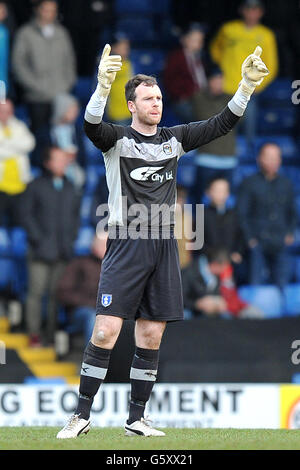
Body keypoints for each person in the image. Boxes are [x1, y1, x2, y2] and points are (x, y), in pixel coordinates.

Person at [57, 42, 269, 438]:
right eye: (148, 98)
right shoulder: (116, 140)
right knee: (104, 329)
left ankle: (136, 418)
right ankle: (81, 415)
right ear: (132, 105)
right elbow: (89, 126)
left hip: (163, 245)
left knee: (151, 333)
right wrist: (101, 89)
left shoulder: (174, 139)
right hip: (126, 243)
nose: (156, 103)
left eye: (158, 97)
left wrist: (245, 87)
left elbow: (221, 123)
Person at [22, 146, 80, 347]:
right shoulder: (35, 185)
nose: (63, 163)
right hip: (39, 251)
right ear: (47, 163)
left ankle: (52, 335)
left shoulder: (71, 186)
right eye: (58, 159)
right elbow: (26, 216)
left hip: (62, 251)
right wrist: (38, 239)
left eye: (65, 159)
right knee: (36, 294)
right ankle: (34, 335)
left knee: (57, 296)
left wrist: (70, 240)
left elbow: (75, 218)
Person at [210, 0, 278, 143]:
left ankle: (250, 158)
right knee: (222, 130)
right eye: (248, 8)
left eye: (255, 9)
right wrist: (218, 76)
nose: (252, 13)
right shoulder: (228, 29)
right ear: (242, 10)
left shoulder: (266, 35)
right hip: (225, 88)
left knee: (249, 131)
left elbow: (271, 67)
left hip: (249, 91)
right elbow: (215, 52)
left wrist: (256, 86)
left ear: (261, 12)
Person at [12, 0, 76, 137]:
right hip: (37, 98)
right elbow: (19, 65)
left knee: (64, 138)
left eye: (53, 10)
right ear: (38, 10)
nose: (50, 14)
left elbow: (69, 62)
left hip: (60, 94)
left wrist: (65, 85)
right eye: (46, 10)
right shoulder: (25, 34)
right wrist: (36, 86)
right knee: (40, 139)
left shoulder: (62, 33)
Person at [237, 142, 297, 289]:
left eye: (276, 157)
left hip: (280, 241)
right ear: (259, 159)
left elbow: (293, 212)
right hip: (257, 242)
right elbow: (241, 214)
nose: (272, 161)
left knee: (283, 285)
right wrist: (250, 239)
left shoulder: (286, 184)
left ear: (280, 160)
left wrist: (290, 232)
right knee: (255, 285)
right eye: (268, 157)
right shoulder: (248, 183)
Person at [192, 72, 238, 201]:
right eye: (215, 80)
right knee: (200, 199)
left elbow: (240, 118)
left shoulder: (231, 98)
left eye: (221, 80)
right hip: (206, 157)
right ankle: (199, 222)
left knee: (227, 200)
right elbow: (205, 117)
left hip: (228, 159)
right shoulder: (199, 98)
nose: (219, 83)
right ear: (209, 81)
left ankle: (225, 222)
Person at [56, 233, 108, 347]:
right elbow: (63, 292)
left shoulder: (114, 267)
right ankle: (92, 361)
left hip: (107, 311)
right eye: (103, 244)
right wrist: (92, 303)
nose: (106, 247)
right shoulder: (79, 263)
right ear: (94, 245)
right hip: (80, 312)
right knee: (93, 318)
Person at [182, 247, 263, 318]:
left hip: (208, 313)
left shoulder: (215, 275)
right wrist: (197, 304)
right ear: (215, 265)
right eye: (224, 267)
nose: (224, 271)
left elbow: (219, 295)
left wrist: (218, 303)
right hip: (190, 310)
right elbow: (179, 300)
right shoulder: (188, 273)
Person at [163, 23, 213, 123]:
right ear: (184, 40)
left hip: (202, 97)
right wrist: (182, 95)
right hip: (184, 99)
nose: (198, 44)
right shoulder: (176, 57)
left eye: (200, 41)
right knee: (200, 117)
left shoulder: (201, 57)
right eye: (194, 40)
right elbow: (169, 80)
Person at [0, 99, 35, 226]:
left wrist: (4, 143)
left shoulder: (19, 126)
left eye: (9, 111)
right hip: (1, 186)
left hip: (21, 184)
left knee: (20, 223)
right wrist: (17, 148)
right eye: (3, 111)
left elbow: (30, 144)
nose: (6, 114)